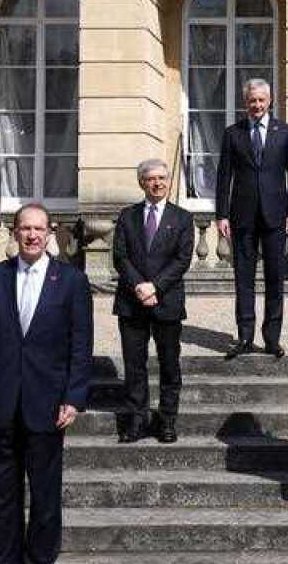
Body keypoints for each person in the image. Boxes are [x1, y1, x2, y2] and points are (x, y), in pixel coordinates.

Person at [0, 202, 93, 564]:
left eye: (39, 229)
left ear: (50, 233)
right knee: (0, 492)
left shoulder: (71, 281)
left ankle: (40, 558)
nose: (32, 235)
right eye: (26, 229)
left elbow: (80, 346)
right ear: (14, 232)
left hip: (49, 404)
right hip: (1, 402)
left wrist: (74, 397)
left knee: (45, 493)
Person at [216, 78, 288, 360]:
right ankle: (244, 337)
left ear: (270, 101)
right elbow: (224, 176)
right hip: (242, 216)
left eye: (261, 100)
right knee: (244, 279)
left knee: (275, 278)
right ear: (245, 102)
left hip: (276, 216)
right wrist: (221, 215)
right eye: (252, 101)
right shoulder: (232, 134)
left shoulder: (285, 132)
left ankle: (272, 339)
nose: (256, 105)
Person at [112, 159, 194, 444]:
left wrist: (154, 287)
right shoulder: (127, 216)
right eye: (151, 179)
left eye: (162, 178)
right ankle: (137, 420)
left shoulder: (183, 218)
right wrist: (138, 286)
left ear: (168, 181)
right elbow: (120, 257)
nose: (157, 183)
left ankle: (167, 420)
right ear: (141, 183)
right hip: (131, 302)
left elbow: (182, 259)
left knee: (169, 364)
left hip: (167, 300)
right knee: (134, 365)